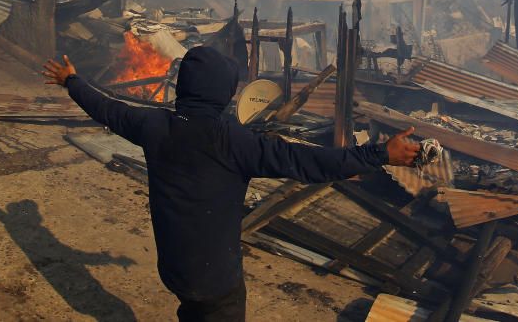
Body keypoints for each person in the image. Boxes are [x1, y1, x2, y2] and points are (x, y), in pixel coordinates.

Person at [42, 46, 420, 322]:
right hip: (216, 280)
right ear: (223, 93)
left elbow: (105, 107)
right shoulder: (235, 142)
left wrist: (71, 80)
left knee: (191, 310)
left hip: (175, 269)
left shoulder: (153, 125)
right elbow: (307, 161)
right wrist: (379, 154)